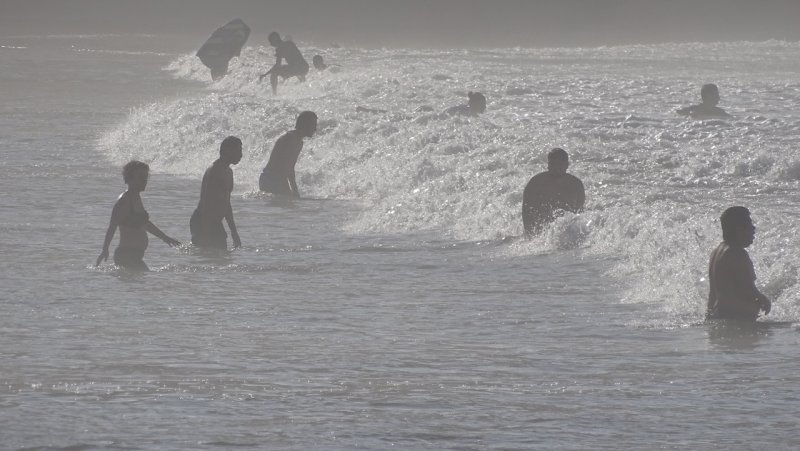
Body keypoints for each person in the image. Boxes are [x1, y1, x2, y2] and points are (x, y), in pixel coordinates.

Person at [96, 161, 181, 270]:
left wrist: (165, 238)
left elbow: (144, 224)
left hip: (135, 256)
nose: (144, 181)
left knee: (143, 284)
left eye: (146, 177)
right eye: (141, 177)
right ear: (130, 178)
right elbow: (112, 227)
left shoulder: (136, 198)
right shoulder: (124, 201)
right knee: (143, 284)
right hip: (126, 256)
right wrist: (105, 249)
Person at [707, 206, 771, 321]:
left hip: (717, 317)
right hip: (735, 320)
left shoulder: (716, 251)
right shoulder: (737, 253)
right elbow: (748, 289)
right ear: (739, 229)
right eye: (750, 225)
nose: (753, 229)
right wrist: (762, 299)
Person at [190, 136, 243, 250]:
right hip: (203, 221)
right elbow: (206, 204)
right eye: (238, 151)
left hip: (214, 223)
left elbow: (226, 203)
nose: (241, 155)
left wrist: (234, 232)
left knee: (220, 260)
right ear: (227, 150)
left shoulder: (228, 172)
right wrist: (204, 233)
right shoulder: (215, 171)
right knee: (210, 260)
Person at [522, 148, 585, 237]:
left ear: (567, 165)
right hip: (541, 232)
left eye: (559, 164)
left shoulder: (576, 184)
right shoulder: (536, 183)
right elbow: (526, 211)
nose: (556, 168)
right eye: (553, 164)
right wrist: (530, 235)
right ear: (548, 164)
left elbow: (579, 212)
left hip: (566, 233)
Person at [259, 111, 317, 198]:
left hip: (277, 180)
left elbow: (290, 168)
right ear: (305, 125)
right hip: (270, 179)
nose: (315, 128)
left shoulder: (299, 142)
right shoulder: (290, 138)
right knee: (288, 205)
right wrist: (291, 191)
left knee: (290, 204)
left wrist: (295, 191)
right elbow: (282, 167)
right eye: (313, 125)